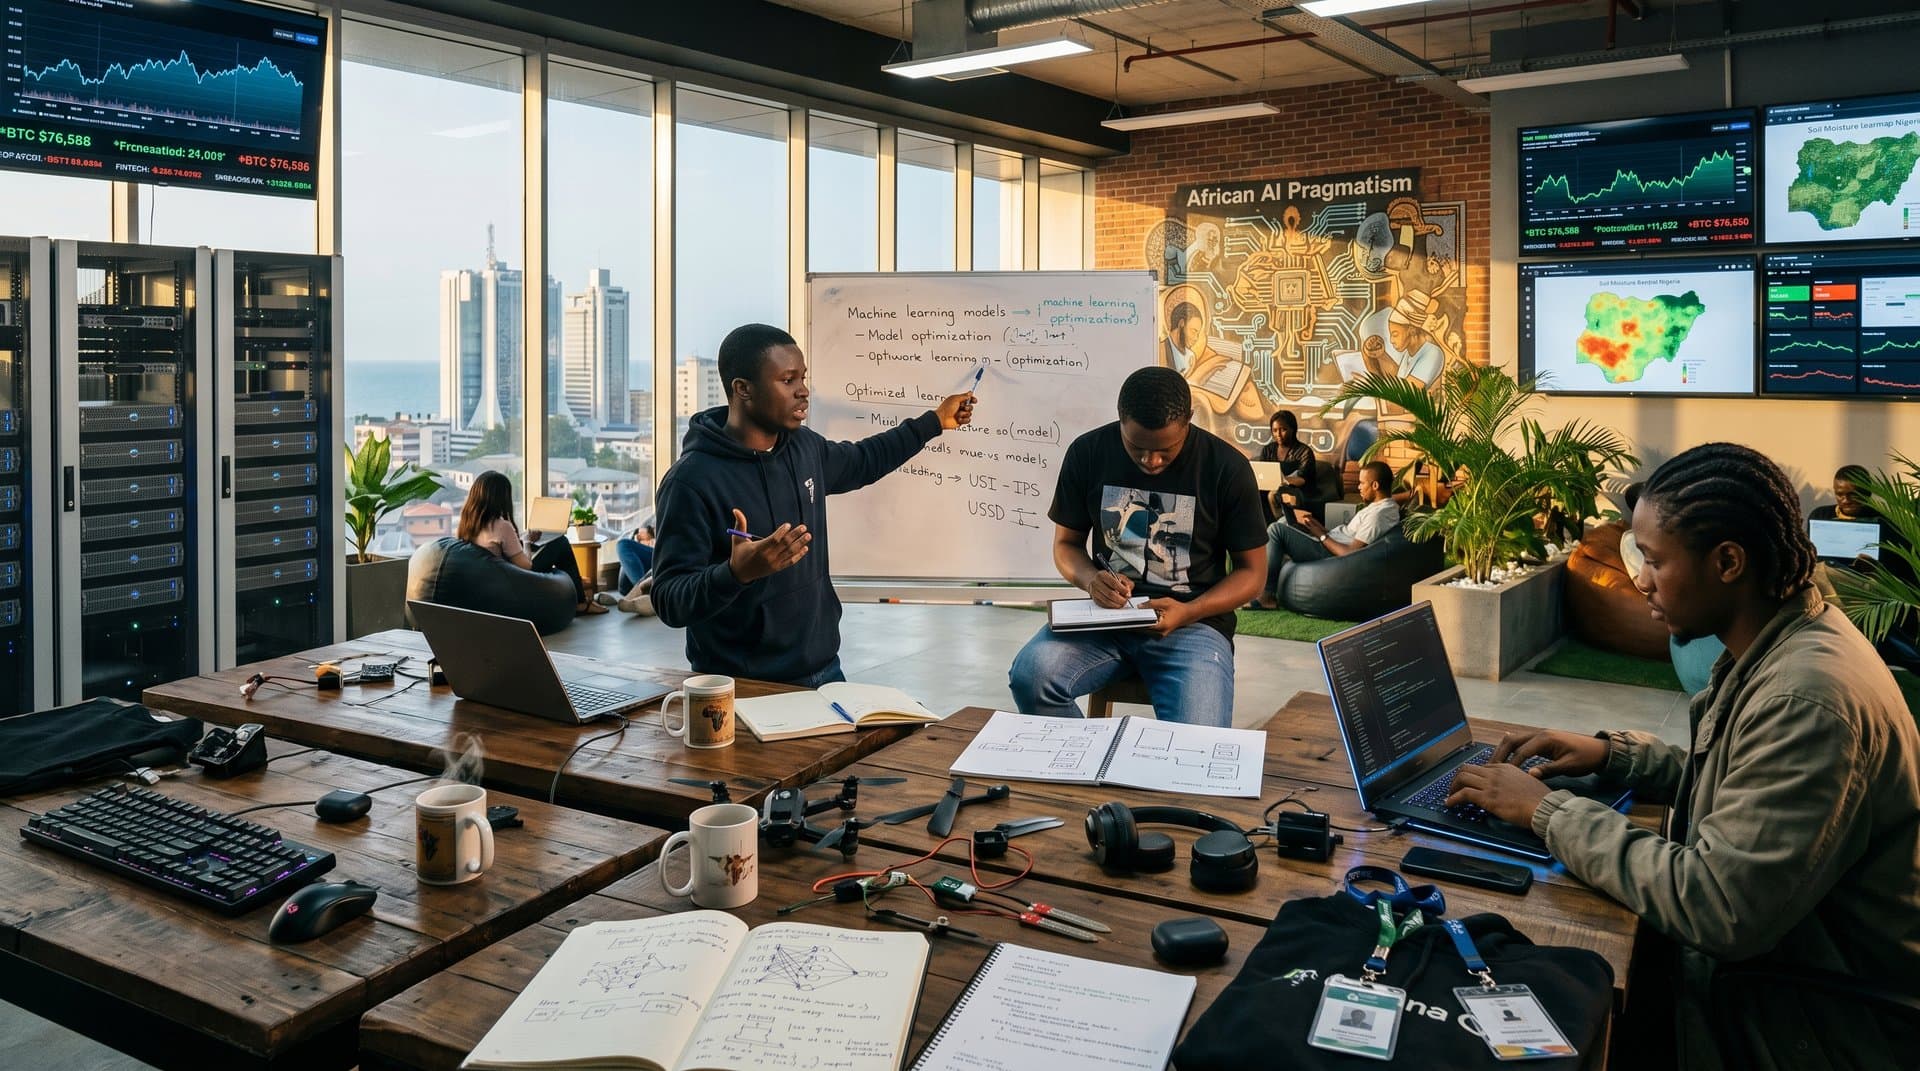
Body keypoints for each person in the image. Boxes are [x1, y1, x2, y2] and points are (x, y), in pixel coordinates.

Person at [1445, 442, 1920, 1068]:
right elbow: (1743, 776)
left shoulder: (1807, 700)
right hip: (1779, 975)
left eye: (1654, 560)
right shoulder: (1789, 638)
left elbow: (1717, 906)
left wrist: (1546, 811)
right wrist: (1612, 755)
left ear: (1727, 562)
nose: (1640, 580)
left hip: (1807, 1023)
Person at [649, 323, 975, 687]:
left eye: (802, 378)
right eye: (787, 380)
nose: (803, 391)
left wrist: (934, 421)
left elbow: (865, 459)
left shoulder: (804, 448)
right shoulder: (691, 482)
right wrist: (736, 573)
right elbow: (669, 600)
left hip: (825, 669)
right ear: (743, 389)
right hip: (744, 684)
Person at [1007, 366, 1266, 727]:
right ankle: (1088, 754)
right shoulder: (1088, 452)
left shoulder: (1226, 467)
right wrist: (1091, 580)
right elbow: (1066, 545)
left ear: (1189, 420)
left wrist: (1189, 611)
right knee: (1031, 676)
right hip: (1106, 620)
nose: (1151, 461)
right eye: (1137, 447)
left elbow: (1253, 574)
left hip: (1193, 625)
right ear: (1120, 420)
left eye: (1165, 450)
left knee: (1197, 741)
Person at [456, 470, 603, 615]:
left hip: (491, 582)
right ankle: (580, 603)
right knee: (560, 543)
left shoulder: (467, 524)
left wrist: (522, 539)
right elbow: (526, 567)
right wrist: (526, 541)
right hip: (512, 582)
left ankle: (576, 599)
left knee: (542, 545)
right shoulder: (501, 526)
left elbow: (498, 549)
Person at [1256, 460, 1399, 609]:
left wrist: (1321, 536)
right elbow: (1345, 536)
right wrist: (1317, 527)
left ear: (1375, 486)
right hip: (1328, 542)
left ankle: (1266, 595)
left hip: (1328, 553)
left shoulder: (1379, 515)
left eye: (1362, 483)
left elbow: (1350, 553)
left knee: (1276, 530)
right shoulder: (1378, 507)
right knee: (1285, 521)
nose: (1359, 487)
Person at [1258, 409, 1318, 523]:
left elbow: (1302, 480)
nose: (1278, 434)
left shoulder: (1304, 451)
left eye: (1283, 430)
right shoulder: (1268, 450)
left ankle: (1280, 527)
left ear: (1293, 429)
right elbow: (1262, 474)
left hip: (1299, 490)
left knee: (1273, 494)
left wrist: (1282, 481)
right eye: (1275, 430)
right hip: (1271, 487)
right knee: (1252, 493)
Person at [593, 523, 657, 616]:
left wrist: (652, 538)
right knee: (624, 586)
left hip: (662, 554)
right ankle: (639, 596)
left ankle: (641, 592)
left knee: (623, 544)